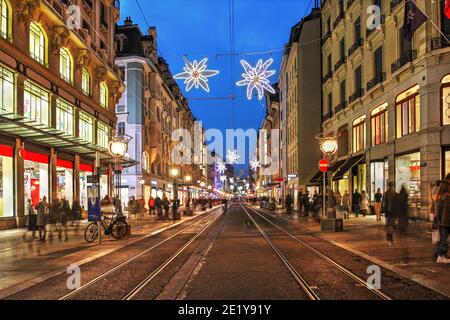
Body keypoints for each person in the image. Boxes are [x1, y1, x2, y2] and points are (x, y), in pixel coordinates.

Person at [435, 180, 450, 264]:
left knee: (443, 239)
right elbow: (448, 211)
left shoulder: (441, 196)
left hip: (443, 222)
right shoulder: (447, 197)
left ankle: (441, 255)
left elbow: (438, 210)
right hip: (447, 222)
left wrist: (439, 220)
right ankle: (441, 256)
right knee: (445, 240)